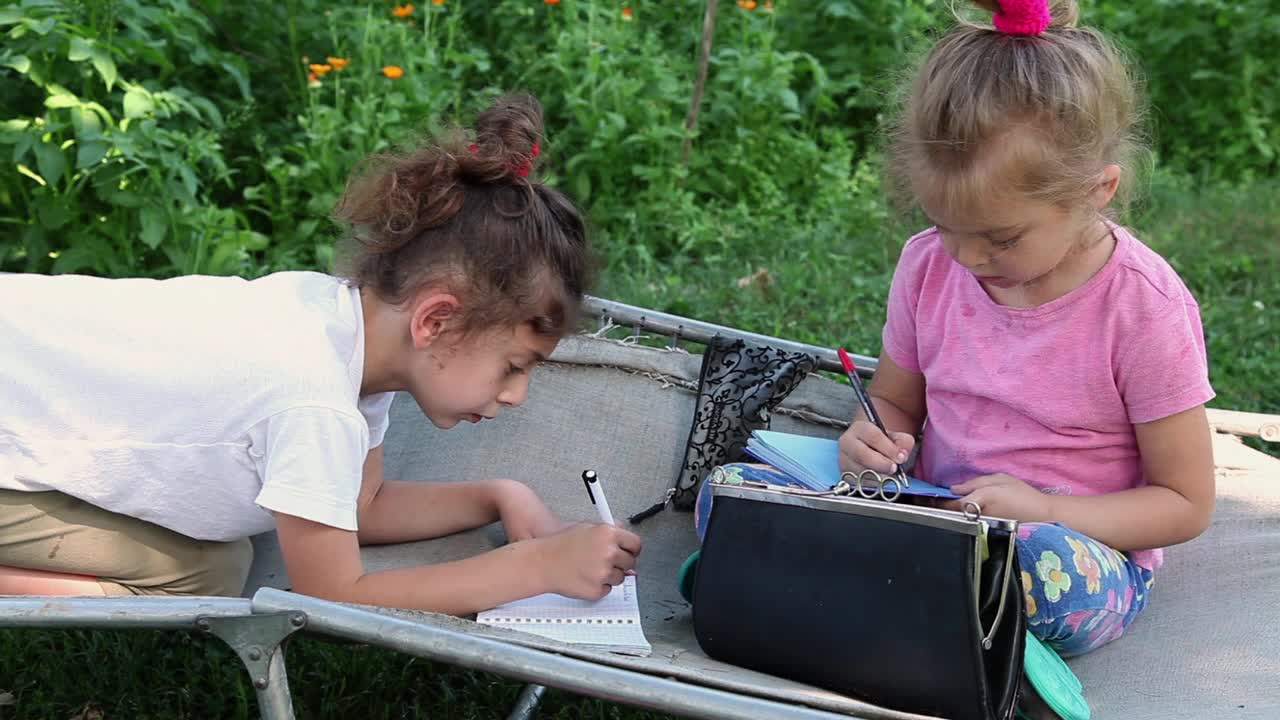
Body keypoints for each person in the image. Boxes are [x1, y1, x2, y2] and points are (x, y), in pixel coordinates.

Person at [0, 93, 642, 615]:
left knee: (220, 563)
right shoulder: (312, 396)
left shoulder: (344, 329)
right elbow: (332, 595)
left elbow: (355, 509)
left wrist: (499, 495)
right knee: (202, 581)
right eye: (514, 366)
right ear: (437, 320)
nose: (516, 394)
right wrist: (532, 567)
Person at [839, 0, 1215, 660]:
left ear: (1097, 191)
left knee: (1024, 570)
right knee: (731, 494)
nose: (967, 257)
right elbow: (898, 400)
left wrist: (1044, 511)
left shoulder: (1142, 308)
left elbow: (1185, 502)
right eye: (944, 223)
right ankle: (880, 594)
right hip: (935, 519)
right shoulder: (929, 265)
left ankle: (853, 599)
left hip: (1076, 552)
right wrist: (872, 438)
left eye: (999, 237)